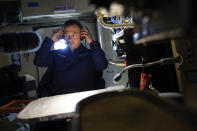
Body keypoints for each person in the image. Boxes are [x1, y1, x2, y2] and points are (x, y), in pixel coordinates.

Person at [34, 19, 108, 97]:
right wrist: (51, 41)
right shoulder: (57, 54)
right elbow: (39, 62)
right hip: (60, 99)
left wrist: (91, 41)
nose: (70, 38)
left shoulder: (90, 54)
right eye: (66, 35)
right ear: (63, 36)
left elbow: (101, 65)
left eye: (74, 35)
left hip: (84, 99)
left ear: (81, 35)